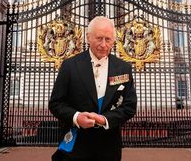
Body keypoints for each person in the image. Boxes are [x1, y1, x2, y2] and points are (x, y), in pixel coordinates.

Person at [49, 16, 137, 161]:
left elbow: (129, 107)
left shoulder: (123, 68)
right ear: (88, 37)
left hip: (109, 148)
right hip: (75, 146)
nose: (103, 45)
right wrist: (77, 117)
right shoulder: (70, 66)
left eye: (108, 39)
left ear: (114, 40)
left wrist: (104, 119)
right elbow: (56, 103)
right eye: (99, 38)